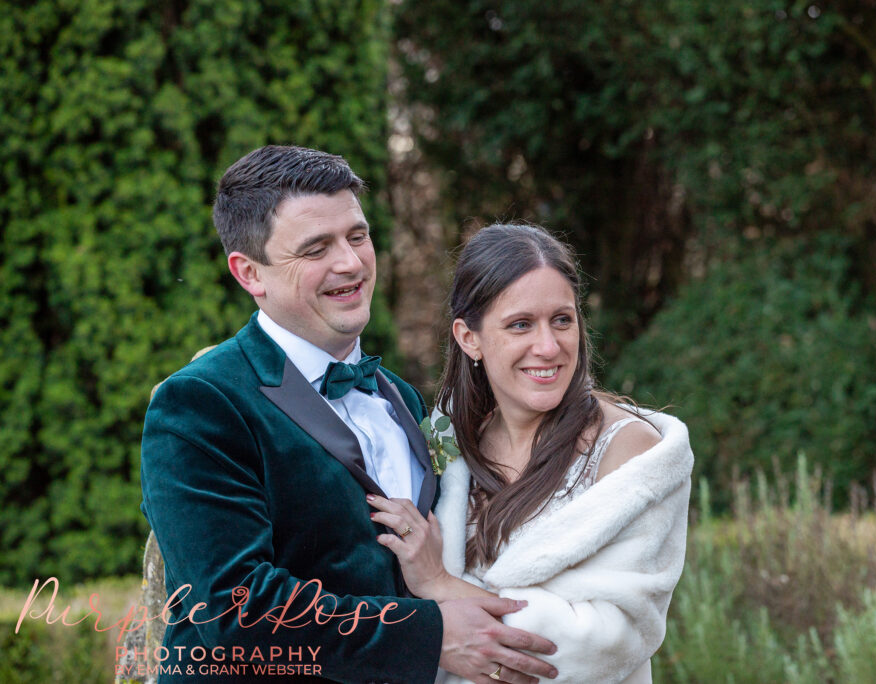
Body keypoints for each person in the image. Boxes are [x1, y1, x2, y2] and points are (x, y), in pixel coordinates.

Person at [140, 147, 559, 683]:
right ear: (250, 274)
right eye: (316, 248)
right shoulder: (201, 402)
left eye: (357, 236)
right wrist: (428, 634)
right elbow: (234, 609)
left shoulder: (402, 398)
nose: (351, 263)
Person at [367, 223, 694, 683]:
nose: (548, 346)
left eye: (562, 320)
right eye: (521, 324)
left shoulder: (630, 451)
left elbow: (609, 642)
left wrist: (440, 584)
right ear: (469, 338)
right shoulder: (449, 445)